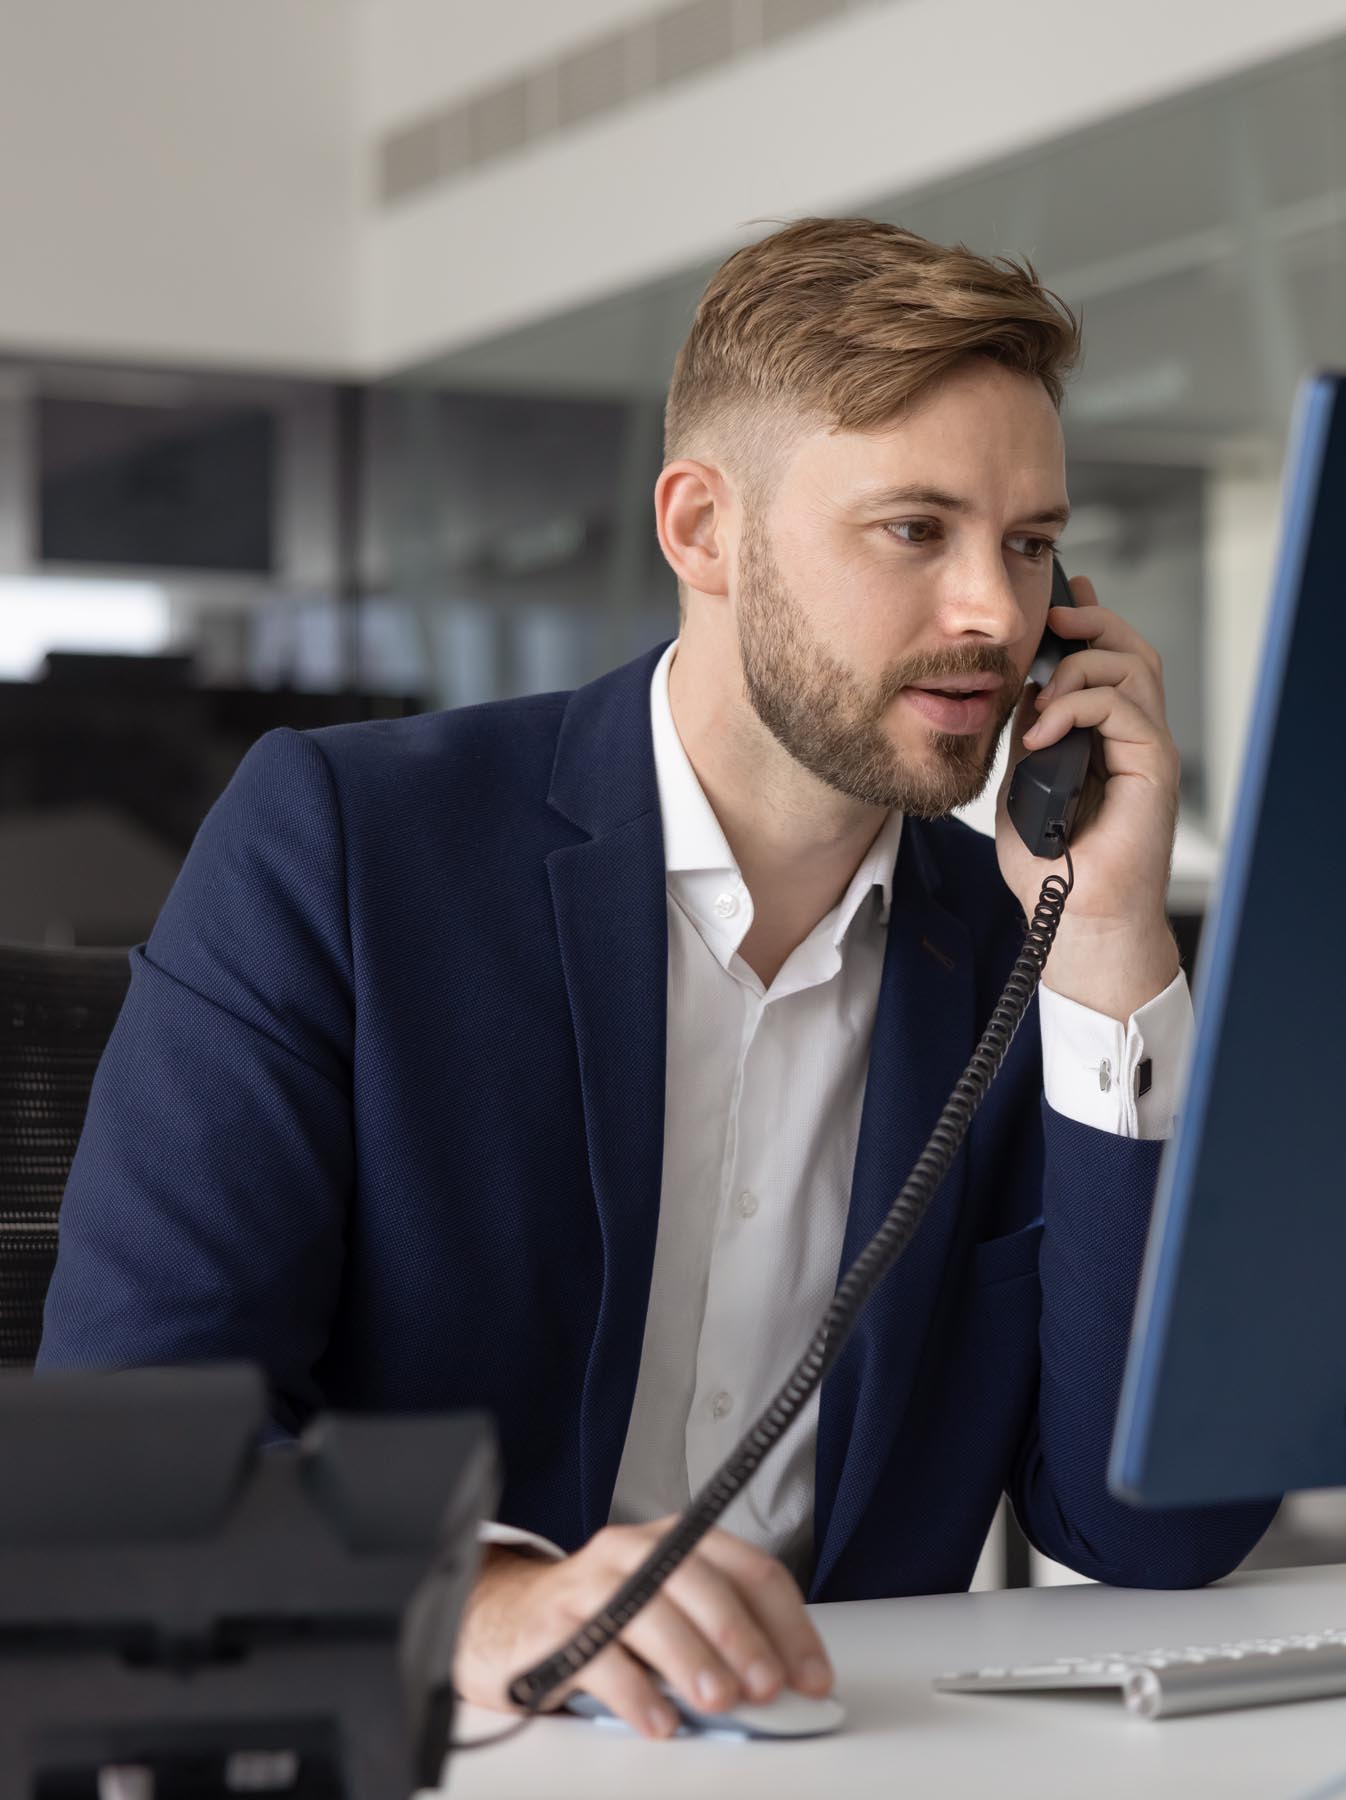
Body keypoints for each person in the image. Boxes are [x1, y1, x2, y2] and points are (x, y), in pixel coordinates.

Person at [38, 217, 1276, 1739]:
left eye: (1029, 543)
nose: (994, 614)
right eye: (915, 529)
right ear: (702, 531)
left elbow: (1157, 1529)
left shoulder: (1029, 953)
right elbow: (128, 1458)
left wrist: (1103, 949)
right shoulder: (347, 847)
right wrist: (479, 1601)